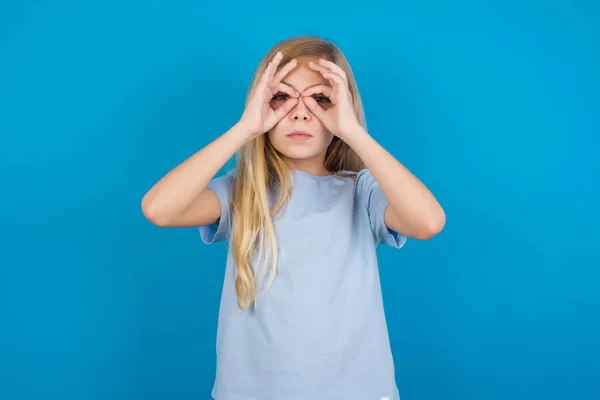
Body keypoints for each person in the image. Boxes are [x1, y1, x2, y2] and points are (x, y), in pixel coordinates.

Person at [141, 35, 445, 400]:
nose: (301, 112)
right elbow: (159, 209)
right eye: (282, 97)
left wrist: (352, 131)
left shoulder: (361, 192)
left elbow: (428, 222)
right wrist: (245, 129)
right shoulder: (243, 192)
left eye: (320, 99)